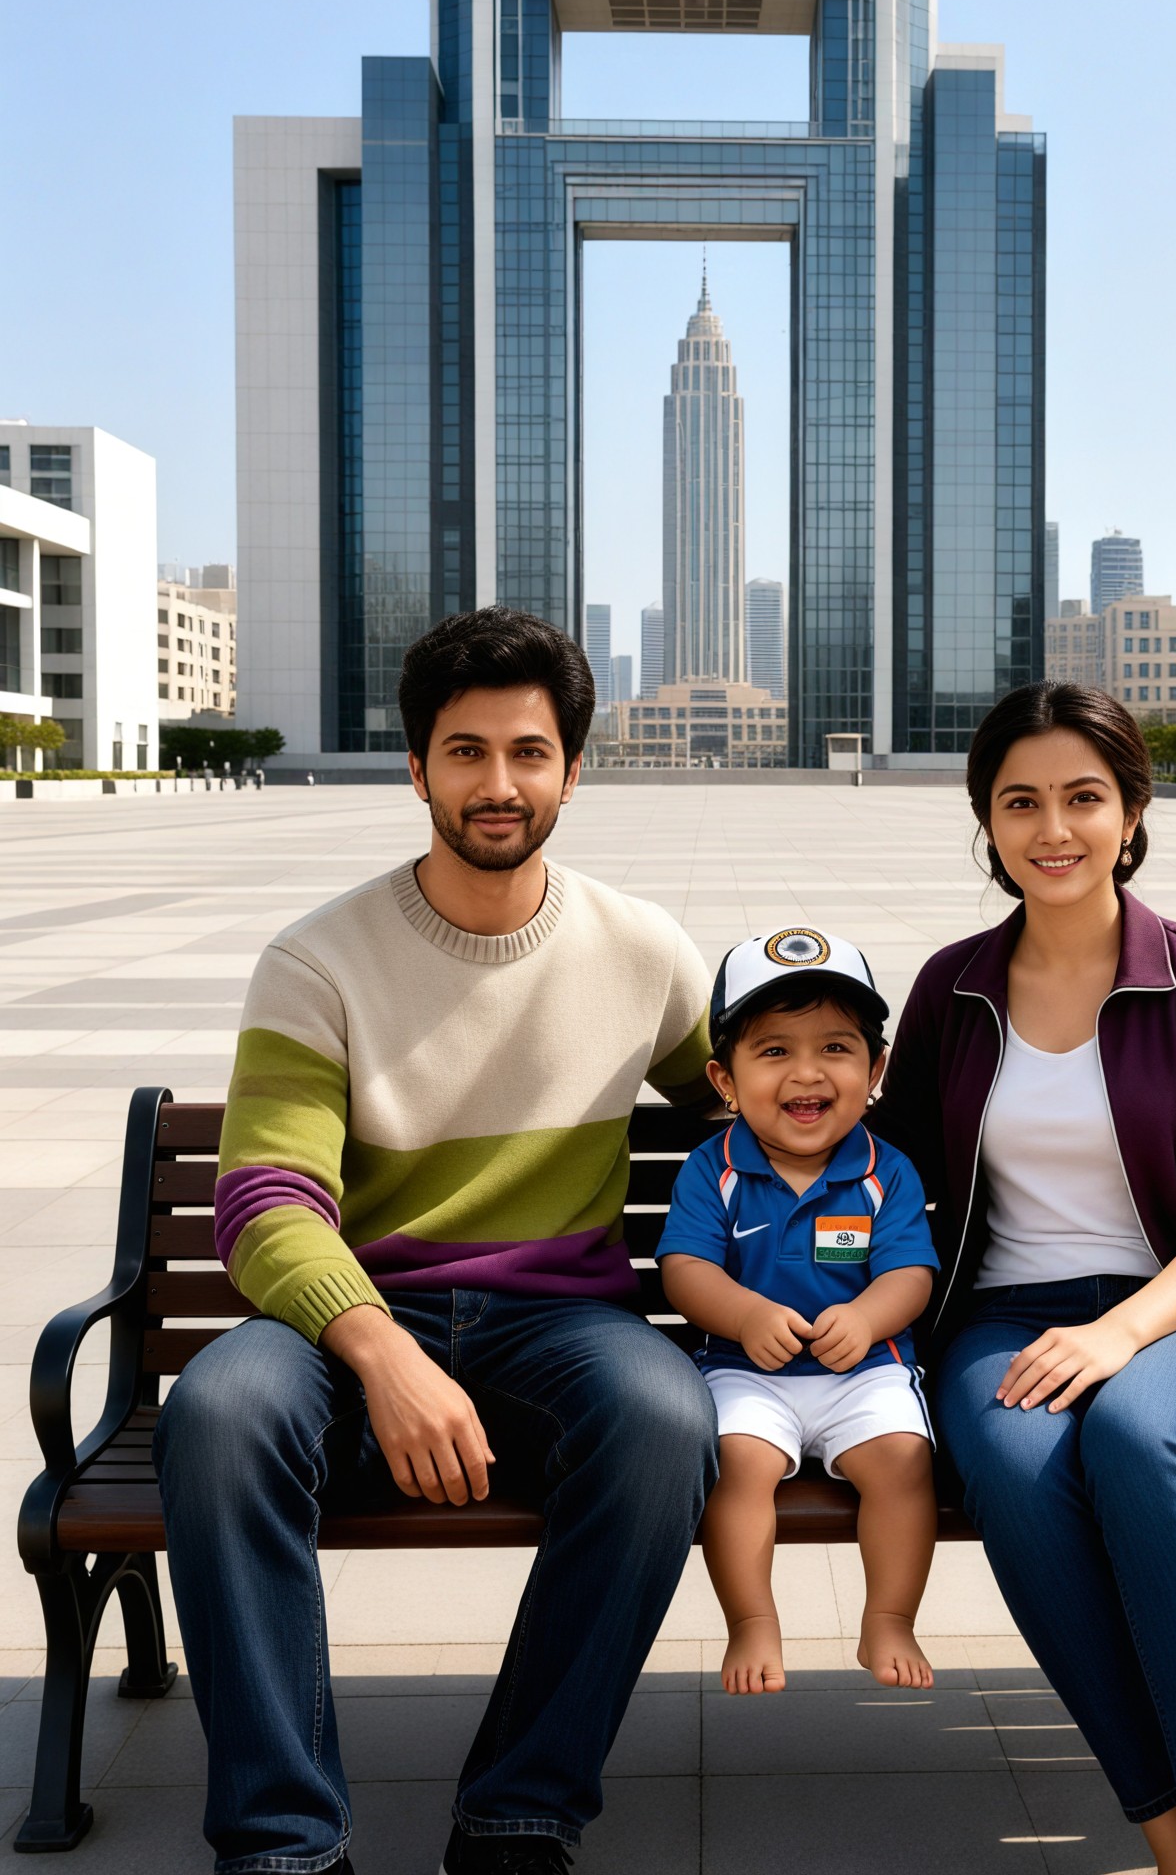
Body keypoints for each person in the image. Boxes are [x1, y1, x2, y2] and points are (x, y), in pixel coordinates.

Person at [154, 607, 720, 1875]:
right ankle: (284, 1841)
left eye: (529, 751)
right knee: (220, 1412)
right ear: (416, 768)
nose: (498, 782)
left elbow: (759, 1110)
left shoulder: (644, 949)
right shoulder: (318, 959)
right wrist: (384, 1354)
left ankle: (521, 1813)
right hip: (352, 1319)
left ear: (575, 769)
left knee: (665, 1419)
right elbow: (264, 1201)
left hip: (562, 1324)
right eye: (466, 751)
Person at [870, 682, 1176, 1875]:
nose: (1052, 828)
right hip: (1002, 1319)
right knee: (1015, 1471)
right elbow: (891, 1168)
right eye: (1020, 801)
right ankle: (1170, 1832)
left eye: (1082, 797)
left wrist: (1122, 1333)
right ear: (987, 819)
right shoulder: (954, 986)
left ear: (1131, 809)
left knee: (1139, 1437)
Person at [658, 929, 940, 1696]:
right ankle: (752, 1620)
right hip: (746, 1371)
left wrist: (870, 1316)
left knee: (904, 1462)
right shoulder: (712, 1170)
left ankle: (890, 1617)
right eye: (774, 1051)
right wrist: (744, 1314)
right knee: (736, 1465)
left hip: (866, 1371)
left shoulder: (886, 1172)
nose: (807, 1073)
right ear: (725, 1078)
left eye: (836, 1049)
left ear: (875, 1070)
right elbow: (685, 1270)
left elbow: (910, 1272)